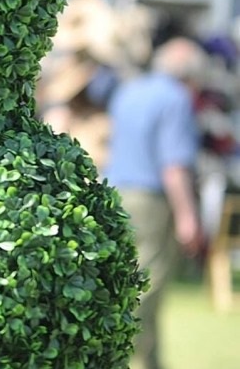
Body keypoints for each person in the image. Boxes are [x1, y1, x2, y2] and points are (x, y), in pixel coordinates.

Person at [103, 36, 208, 369]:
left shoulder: (129, 90)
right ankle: (130, 358)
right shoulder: (176, 98)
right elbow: (174, 167)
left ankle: (148, 359)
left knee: (121, 280)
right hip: (150, 201)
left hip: (115, 193)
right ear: (189, 75)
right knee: (147, 286)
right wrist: (188, 217)